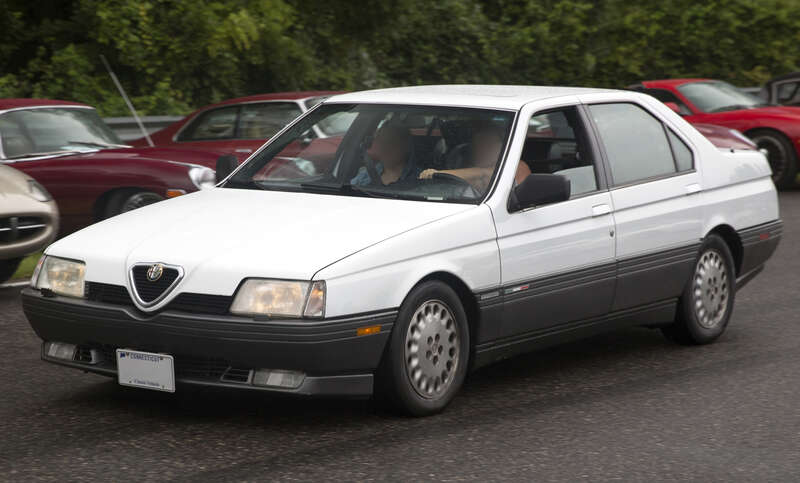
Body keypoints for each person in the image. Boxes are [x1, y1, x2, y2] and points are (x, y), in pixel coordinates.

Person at [418, 122, 530, 192]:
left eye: (490, 144)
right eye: (479, 144)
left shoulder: (516, 166)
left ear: (503, 146)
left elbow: (483, 174)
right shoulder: (460, 161)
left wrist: (437, 174)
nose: (484, 149)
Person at [350, 122, 420, 186]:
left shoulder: (420, 179)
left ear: (405, 146)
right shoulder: (365, 175)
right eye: (381, 142)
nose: (385, 148)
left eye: (391, 142)